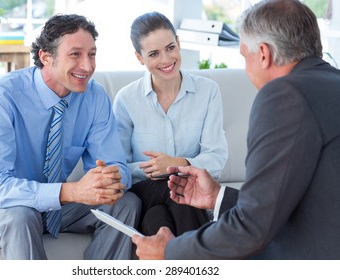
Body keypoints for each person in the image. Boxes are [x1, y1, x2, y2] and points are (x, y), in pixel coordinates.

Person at [132, 0, 340, 259]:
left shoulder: (285, 95)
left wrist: (170, 251)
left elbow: (252, 228)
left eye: (244, 56)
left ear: (263, 54)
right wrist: (219, 196)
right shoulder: (332, 83)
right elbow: (282, 202)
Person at [0, 14, 141, 260]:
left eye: (92, 54)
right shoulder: (1, 95)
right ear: (46, 57)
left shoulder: (95, 97)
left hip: (57, 208)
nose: (87, 66)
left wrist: (110, 178)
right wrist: (72, 191)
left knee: (124, 204)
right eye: (75, 54)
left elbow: (115, 165)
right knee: (21, 215)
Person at [112, 11, 228, 236]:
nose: (166, 60)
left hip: (180, 197)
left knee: (158, 217)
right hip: (145, 191)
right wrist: (157, 169)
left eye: (170, 48)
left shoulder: (208, 91)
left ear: (179, 44)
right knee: (175, 185)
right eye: (154, 53)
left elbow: (216, 158)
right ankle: (204, 263)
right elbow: (119, 166)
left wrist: (177, 163)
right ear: (140, 58)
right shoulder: (126, 99)